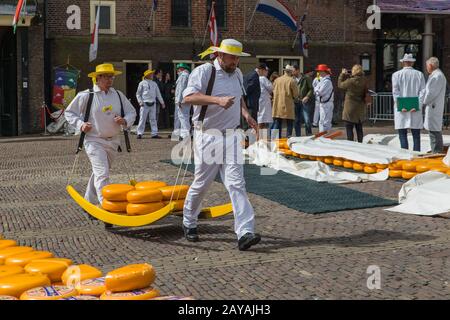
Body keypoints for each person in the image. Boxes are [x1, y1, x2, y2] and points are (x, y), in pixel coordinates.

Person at [182, 39, 261, 251]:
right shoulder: (204, 72)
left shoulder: (236, 74)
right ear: (219, 55)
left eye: (237, 58)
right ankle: (189, 221)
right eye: (232, 57)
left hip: (232, 135)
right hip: (208, 135)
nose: (235, 61)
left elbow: (239, 98)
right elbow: (188, 97)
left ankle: (245, 232)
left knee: (237, 183)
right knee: (203, 183)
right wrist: (217, 101)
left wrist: (247, 115)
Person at [65, 63, 136, 204]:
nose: (110, 79)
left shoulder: (118, 95)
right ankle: (106, 207)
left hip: (114, 141)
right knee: (102, 174)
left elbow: (131, 111)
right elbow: (69, 112)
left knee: (100, 173)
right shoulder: (86, 95)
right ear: (98, 78)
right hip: (94, 141)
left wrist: (125, 120)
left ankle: (89, 202)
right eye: (107, 77)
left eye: (112, 77)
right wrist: (81, 124)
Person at [392, 53, 426, 151]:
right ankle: (417, 157)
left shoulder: (396, 75)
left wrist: (400, 105)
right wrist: (418, 105)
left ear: (403, 63)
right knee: (416, 135)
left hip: (401, 108)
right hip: (415, 107)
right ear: (412, 63)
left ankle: (404, 155)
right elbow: (422, 91)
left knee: (402, 134)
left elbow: (395, 92)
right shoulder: (419, 74)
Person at [421, 57, 448, 153]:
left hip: (433, 107)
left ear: (430, 65)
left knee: (434, 131)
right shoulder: (436, 75)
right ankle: (436, 151)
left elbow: (431, 93)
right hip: (433, 106)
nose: (426, 68)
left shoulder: (437, 76)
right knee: (433, 130)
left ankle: (436, 152)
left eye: (427, 66)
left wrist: (423, 102)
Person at [338, 64, 368, 143]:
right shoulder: (364, 80)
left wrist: (342, 74)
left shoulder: (350, 81)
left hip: (350, 107)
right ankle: (360, 143)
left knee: (349, 127)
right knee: (359, 127)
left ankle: (350, 144)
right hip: (360, 107)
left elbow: (340, 85)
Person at [136, 69, 165, 139]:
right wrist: (140, 102)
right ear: (147, 75)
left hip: (153, 103)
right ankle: (139, 133)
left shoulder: (154, 84)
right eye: (151, 74)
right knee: (142, 119)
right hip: (144, 103)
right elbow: (138, 94)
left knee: (153, 119)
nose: (152, 75)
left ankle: (154, 133)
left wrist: (162, 102)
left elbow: (158, 94)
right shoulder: (142, 83)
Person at [272, 65, 299, 138]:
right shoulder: (292, 81)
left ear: (284, 71)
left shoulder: (277, 80)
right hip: (288, 105)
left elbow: (272, 90)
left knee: (277, 122)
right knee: (289, 123)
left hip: (277, 104)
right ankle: (288, 139)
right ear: (291, 72)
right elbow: (296, 94)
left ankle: (275, 139)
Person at [293, 65, 314, 136]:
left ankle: (309, 135)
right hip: (295, 102)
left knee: (307, 120)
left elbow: (311, 89)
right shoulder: (292, 79)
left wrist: (307, 96)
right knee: (296, 120)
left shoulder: (306, 78)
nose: (292, 72)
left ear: (298, 70)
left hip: (304, 101)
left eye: (293, 71)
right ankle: (298, 136)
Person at [173, 63, 191, 140]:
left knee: (183, 117)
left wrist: (179, 100)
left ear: (182, 69)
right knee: (184, 116)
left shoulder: (183, 76)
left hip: (182, 100)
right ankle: (182, 134)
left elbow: (181, 88)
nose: (177, 70)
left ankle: (186, 134)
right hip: (186, 99)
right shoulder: (188, 76)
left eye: (179, 68)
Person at [314, 64, 334, 133]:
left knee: (325, 122)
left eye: (319, 71)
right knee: (322, 121)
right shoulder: (322, 80)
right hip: (323, 103)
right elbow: (316, 88)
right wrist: (316, 89)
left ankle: (324, 137)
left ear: (323, 71)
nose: (318, 73)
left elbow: (319, 92)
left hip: (327, 104)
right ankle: (322, 136)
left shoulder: (327, 81)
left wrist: (316, 89)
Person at [257, 65, 273, 131]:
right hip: (264, 102)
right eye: (266, 71)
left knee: (260, 118)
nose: (267, 73)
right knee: (262, 120)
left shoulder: (258, 78)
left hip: (260, 100)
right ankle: (260, 136)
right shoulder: (263, 78)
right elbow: (271, 88)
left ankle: (259, 135)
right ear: (263, 71)